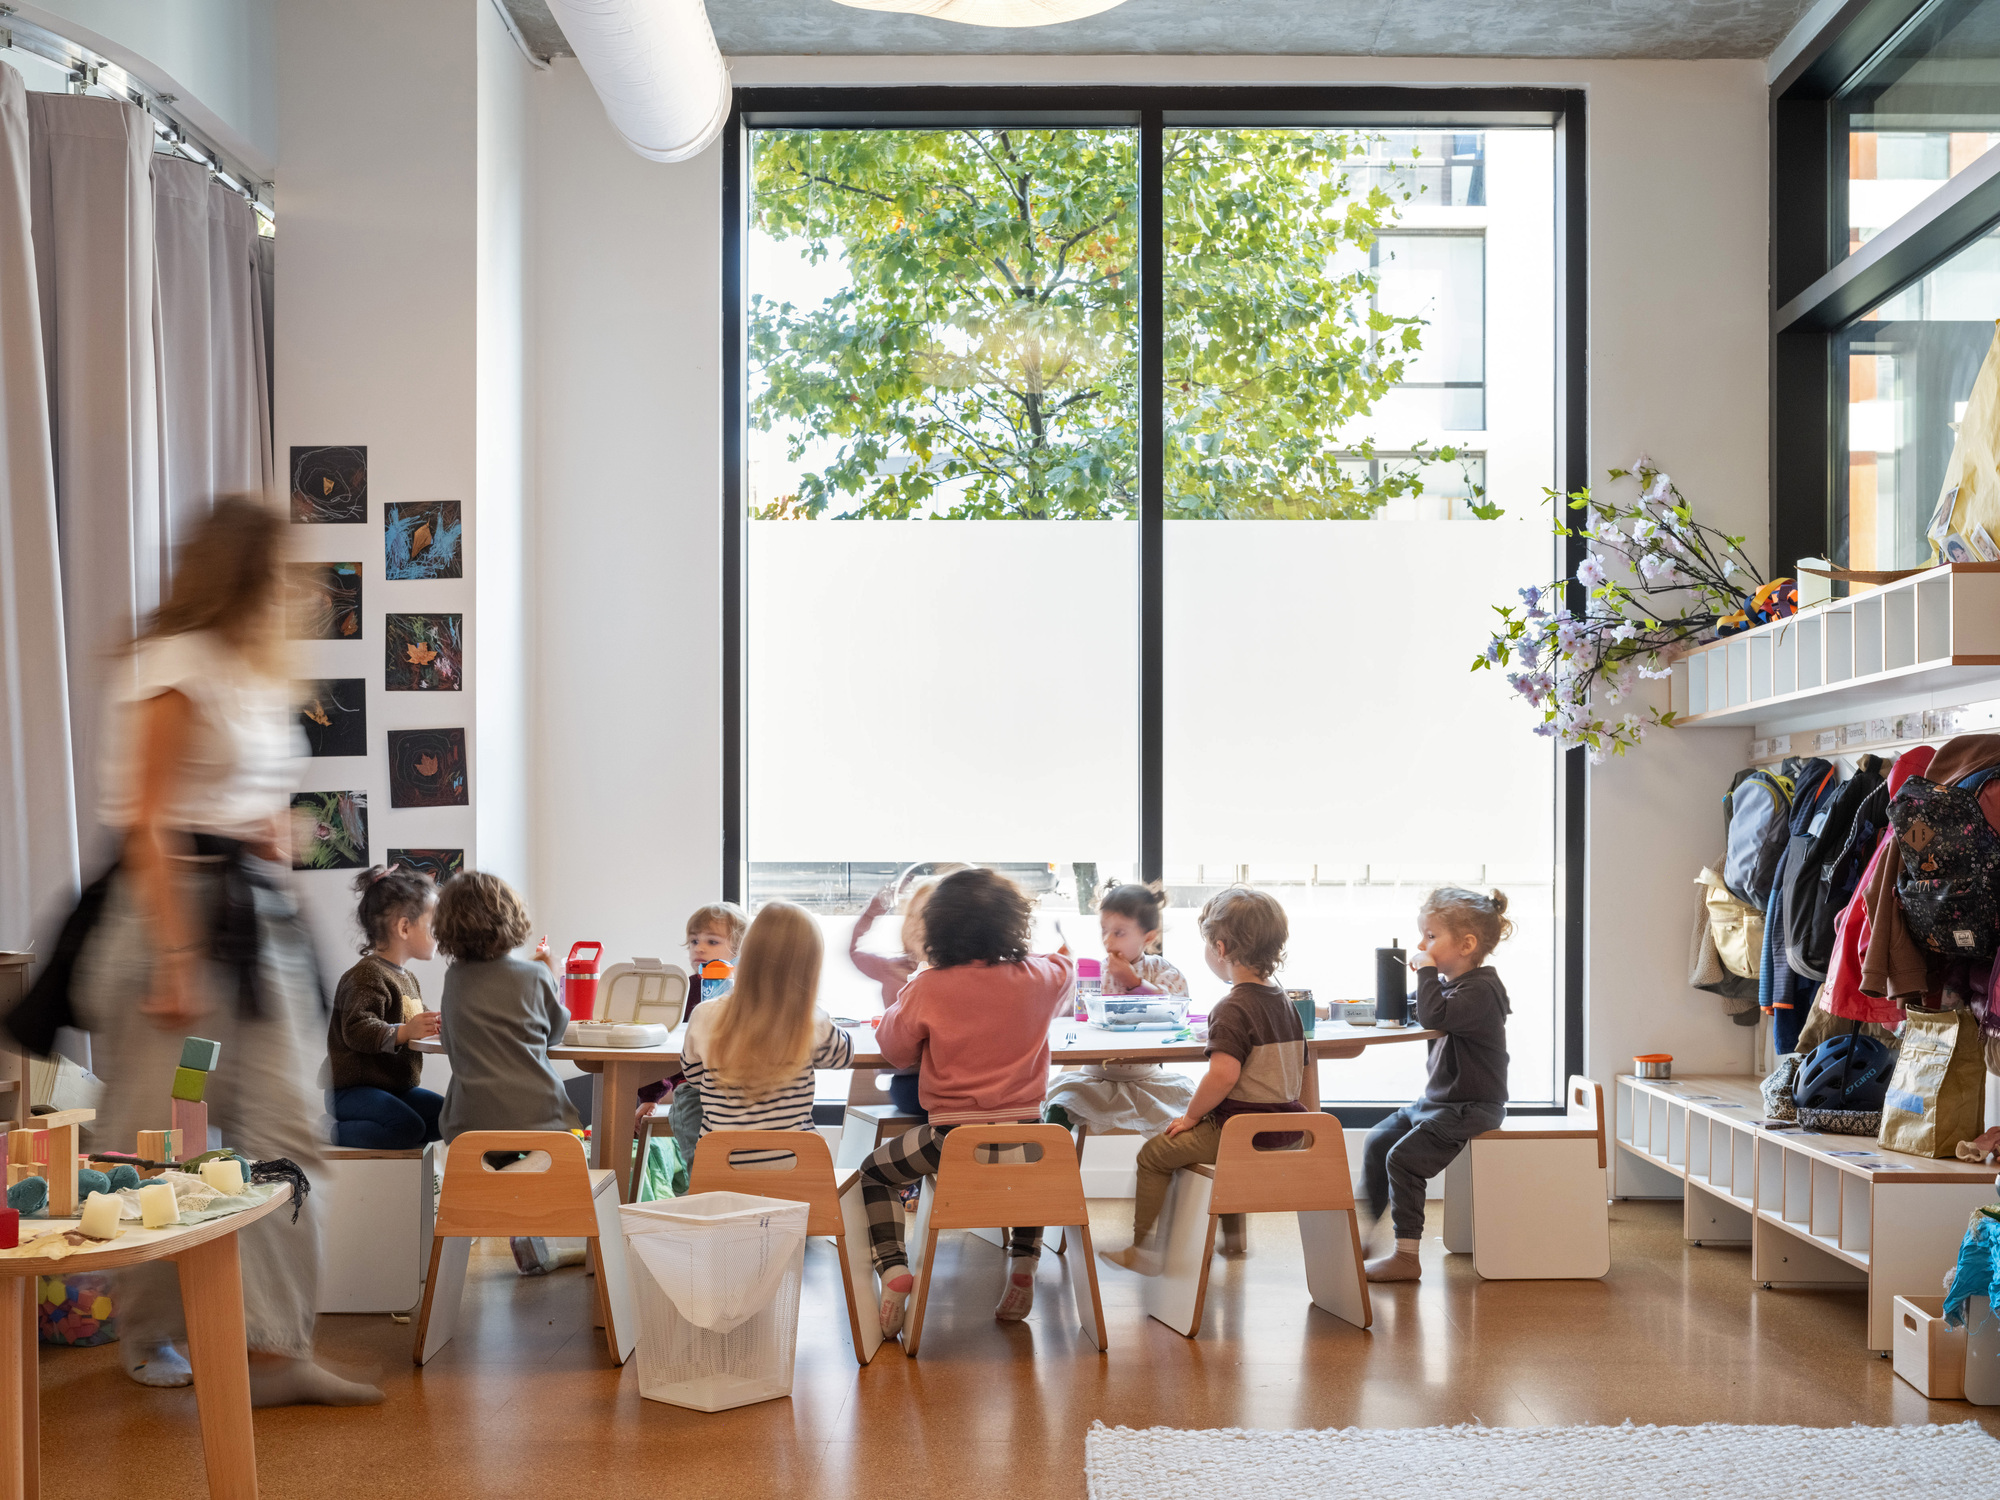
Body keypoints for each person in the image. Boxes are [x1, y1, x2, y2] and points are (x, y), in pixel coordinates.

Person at [73, 494, 380, 1405]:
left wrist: (266, 829)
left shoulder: (251, 673)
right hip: (176, 921)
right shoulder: (172, 665)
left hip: (256, 922)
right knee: (166, 1139)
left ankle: (271, 1351)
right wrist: (175, 957)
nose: (295, 590)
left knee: (289, 1132)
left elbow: (220, 795)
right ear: (247, 570)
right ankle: (149, 1334)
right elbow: (151, 821)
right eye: (281, 570)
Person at [859, 867, 1074, 1336]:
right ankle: (1023, 1262)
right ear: (1015, 924)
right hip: (1028, 1139)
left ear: (936, 929)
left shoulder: (927, 986)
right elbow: (1066, 966)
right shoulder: (1041, 975)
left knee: (873, 1174)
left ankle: (894, 1269)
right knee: (1031, 1173)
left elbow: (893, 1050)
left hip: (950, 1142)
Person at [1099, 886, 1303, 1275]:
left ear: (1221, 949)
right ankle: (1233, 1240)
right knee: (1202, 1148)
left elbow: (1223, 1075)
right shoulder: (1284, 1000)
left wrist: (1191, 1117)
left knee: (1155, 1154)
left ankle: (1144, 1250)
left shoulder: (1231, 1007)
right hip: (1288, 1125)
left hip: (1242, 1130)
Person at [1359, 887, 1513, 1284]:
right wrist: (1347, 1010)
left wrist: (1425, 968)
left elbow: (1431, 1015)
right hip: (1440, 1102)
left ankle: (1406, 1255)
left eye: (1430, 936)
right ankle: (1362, 1235)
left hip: (1473, 1106)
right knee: (1378, 1141)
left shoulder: (1480, 991)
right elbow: (1409, 1008)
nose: (1420, 945)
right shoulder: (1449, 985)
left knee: (1403, 1159)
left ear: (1466, 944)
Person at [677, 901, 854, 1166]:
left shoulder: (704, 1014)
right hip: (794, 1167)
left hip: (721, 1169)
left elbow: (692, 1077)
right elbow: (841, 1057)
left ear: (744, 953)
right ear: (810, 967)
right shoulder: (810, 1020)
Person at [434, 871, 577, 1141]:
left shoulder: (453, 977)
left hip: (468, 1125)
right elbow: (555, 1034)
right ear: (510, 919)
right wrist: (551, 974)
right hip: (541, 1120)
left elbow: (449, 1042)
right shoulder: (535, 975)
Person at [1045, 881, 1196, 1135]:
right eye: (1104, 930)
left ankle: (1167, 1168)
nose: (1107, 940)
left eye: (1119, 932)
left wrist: (1135, 983)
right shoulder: (1095, 975)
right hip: (1094, 1078)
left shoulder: (1161, 971)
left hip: (1149, 1079)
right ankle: (1050, 1168)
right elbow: (1066, 1019)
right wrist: (1062, 979)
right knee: (1057, 1106)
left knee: (1192, 1112)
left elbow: (1176, 1010)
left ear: (1148, 937)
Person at [327, 864, 444, 1149]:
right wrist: (404, 1032)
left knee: (447, 1116)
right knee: (407, 1127)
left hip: (395, 1089)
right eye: (432, 926)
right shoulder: (366, 975)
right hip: (354, 1091)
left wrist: (440, 1025)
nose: (439, 934)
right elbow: (356, 1029)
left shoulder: (407, 978)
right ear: (404, 927)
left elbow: (417, 1023)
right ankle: (329, 1131)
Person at [849, 866, 966, 1121]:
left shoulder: (961, 972)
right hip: (911, 1083)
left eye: (926, 916)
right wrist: (874, 910)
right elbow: (854, 950)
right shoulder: (893, 968)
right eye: (912, 915)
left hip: (956, 1083)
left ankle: (942, 1148)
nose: (916, 924)